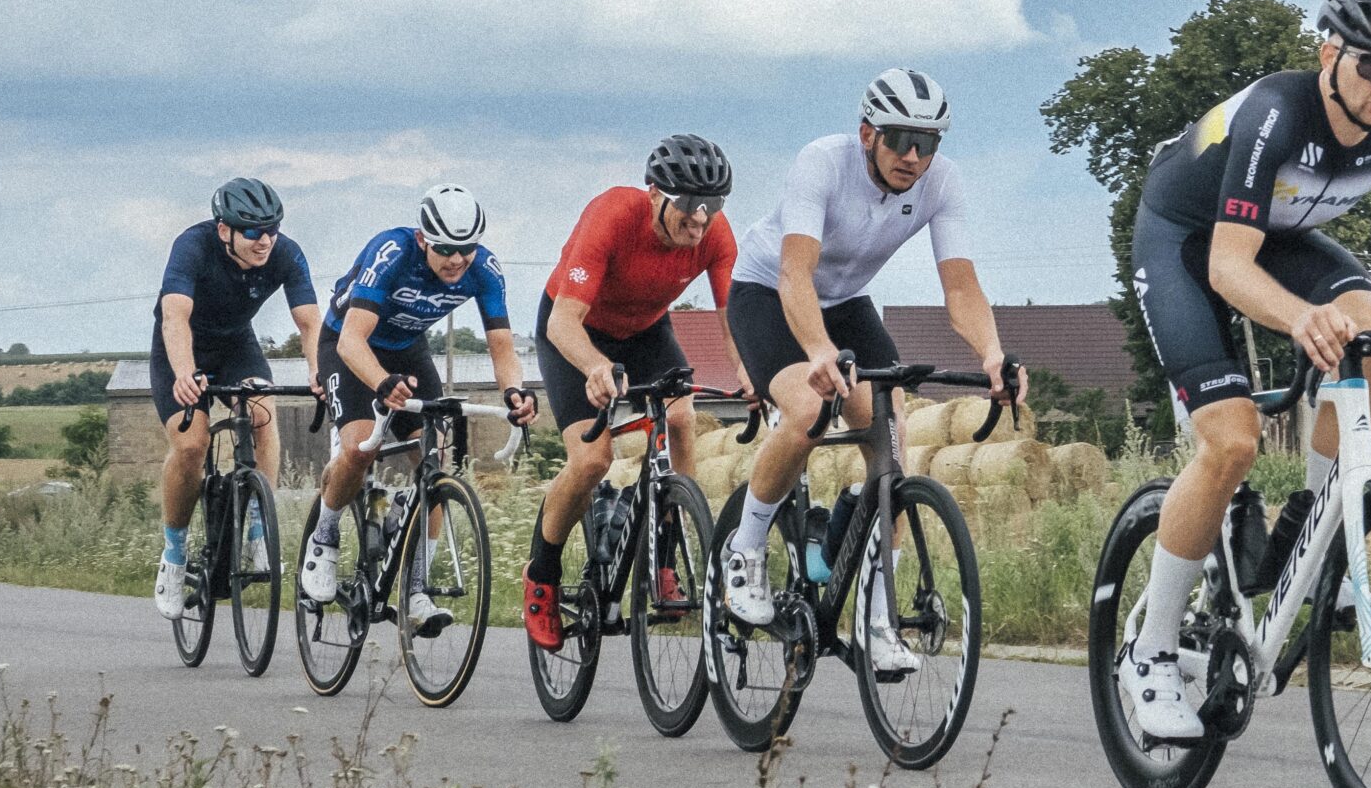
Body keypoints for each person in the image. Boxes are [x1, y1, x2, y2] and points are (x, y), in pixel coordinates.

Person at [1115, 0, 1371, 739]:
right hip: (1185, 241)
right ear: (1329, 53)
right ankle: (1151, 651)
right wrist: (1302, 317)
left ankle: (1312, 535)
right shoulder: (1276, 112)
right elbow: (1227, 266)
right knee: (1232, 441)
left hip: (1275, 235)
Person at [717, 68, 1019, 675]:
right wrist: (818, 351)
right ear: (866, 134)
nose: (914, 157)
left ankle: (878, 619)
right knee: (808, 410)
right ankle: (743, 550)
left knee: (892, 441)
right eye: (901, 140)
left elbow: (961, 287)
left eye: (928, 143)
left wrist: (992, 352)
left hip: (847, 302)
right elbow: (795, 274)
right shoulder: (822, 163)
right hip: (768, 292)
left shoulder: (941, 182)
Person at [521, 136, 743, 652]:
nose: (700, 219)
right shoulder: (612, 215)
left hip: (645, 332)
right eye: (689, 204)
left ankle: (666, 553)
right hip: (575, 331)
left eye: (713, 205)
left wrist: (753, 373)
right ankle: (542, 575)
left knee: (682, 418)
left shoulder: (714, 233)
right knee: (592, 460)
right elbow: (562, 322)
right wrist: (595, 366)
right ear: (655, 194)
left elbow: (735, 322)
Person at [299, 186, 537, 631]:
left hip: (408, 351)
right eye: (445, 249)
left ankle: (415, 590)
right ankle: (324, 537)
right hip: (349, 346)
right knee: (360, 448)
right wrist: (380, 383)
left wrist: (514, 392)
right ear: (424, 239)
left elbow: (502, 346)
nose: (457, 260)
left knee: (434, 462)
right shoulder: (392, 252)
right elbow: (351, 340)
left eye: (466, 249)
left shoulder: (484, 269)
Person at [150, 177, 322, 620]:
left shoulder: (285, 253)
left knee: (263, 413)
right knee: (192, 445)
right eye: (253, 231)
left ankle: (258, 532)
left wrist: (318, 369)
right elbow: (174, 317)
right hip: (182, 347)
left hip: (235, 346)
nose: (265, 240)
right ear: (224, 229)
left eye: (272, 229)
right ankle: (173, 556)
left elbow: (309, 322)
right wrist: (185, 372)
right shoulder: (193, 246)